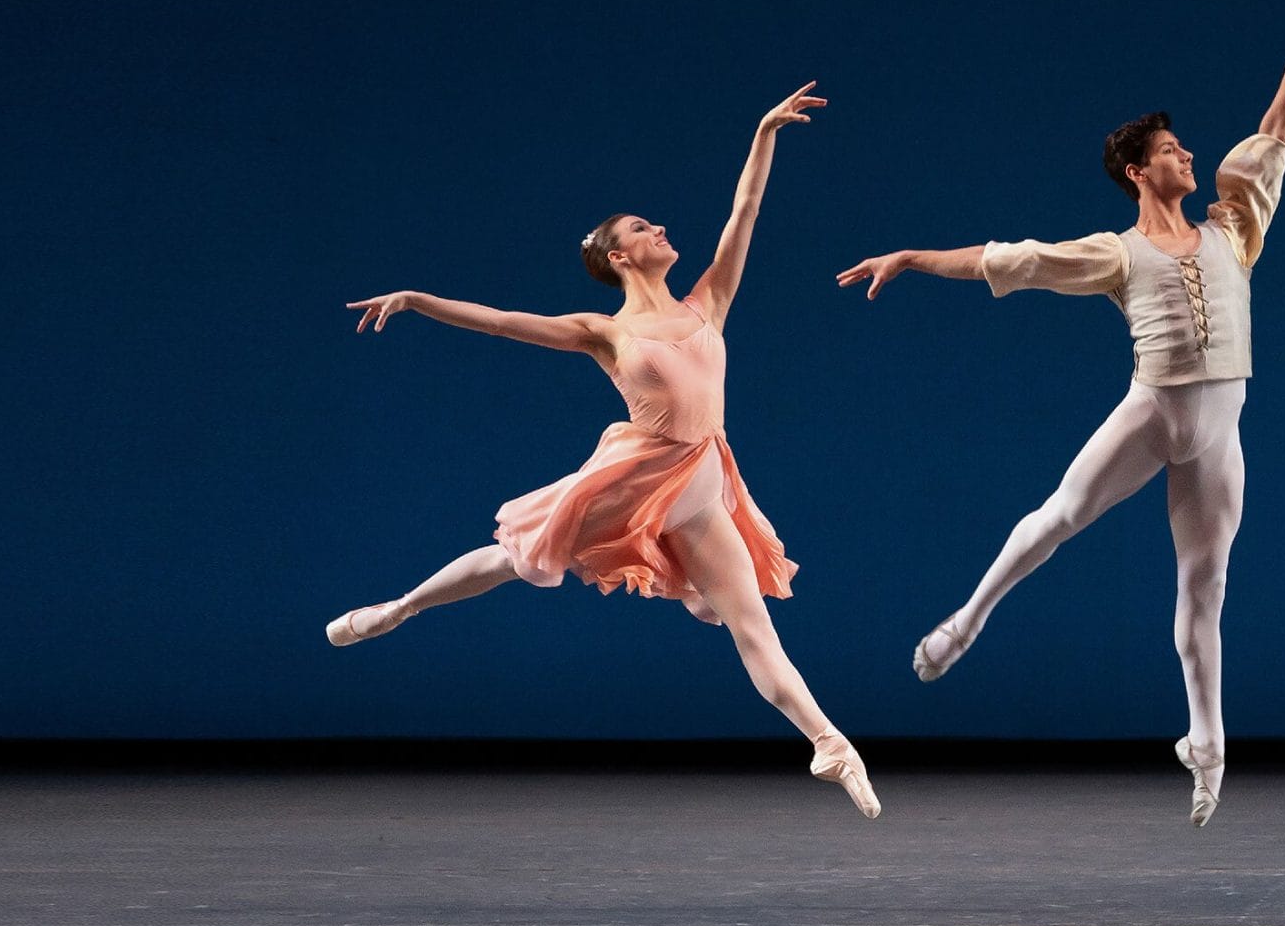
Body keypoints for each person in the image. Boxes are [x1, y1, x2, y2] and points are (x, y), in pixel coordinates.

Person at [837, 0, 1285, 826]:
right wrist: (912, 257)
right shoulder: (1116, 253)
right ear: (1138, 173)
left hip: (1219, 435)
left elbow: (1273, 140)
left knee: (1205, 586)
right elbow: (1013, 259)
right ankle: (965, 624)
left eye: (1183, 146)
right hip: (1151, 414)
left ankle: (1209, 748)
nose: (1188, 154)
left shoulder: (1233, 229)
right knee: (1060, 516)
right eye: (1171, 149)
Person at [329, 83, 880, 819]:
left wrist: (764, 132)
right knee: (519, 555)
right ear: (620, 256)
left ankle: (831, 744)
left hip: (701, 478)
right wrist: (416, 300)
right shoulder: (606, 331)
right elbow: (500, 322)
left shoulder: (707, 303)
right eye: (643, 228)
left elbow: (744, 211)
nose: (660, 228)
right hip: (636, 474)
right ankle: (398, 609)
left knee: (753, 625)